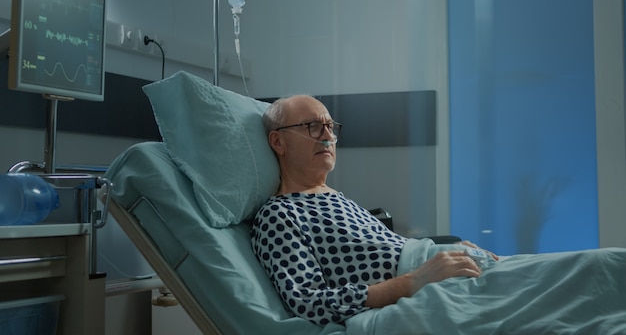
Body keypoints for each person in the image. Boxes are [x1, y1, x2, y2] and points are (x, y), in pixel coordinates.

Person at [251, 95, 625, 329]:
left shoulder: (337, 198)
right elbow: (308, 301)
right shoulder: (280, 215)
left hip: (438, 267)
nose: (328, 136)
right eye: (313, 126)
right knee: (598, 277)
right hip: (419, 288)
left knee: (603, 270)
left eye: (331, 127)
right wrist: (414, 281)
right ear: (278, 141)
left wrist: (444, 247)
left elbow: (390, 249)